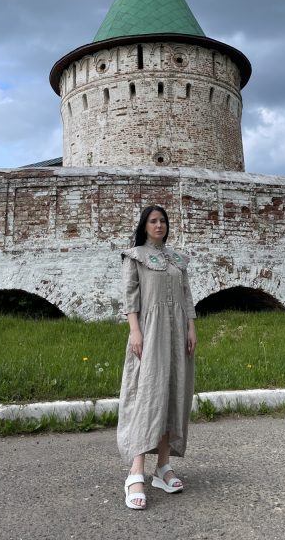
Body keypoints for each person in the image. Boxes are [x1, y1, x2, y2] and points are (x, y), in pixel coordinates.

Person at [117, 205, 197, 510]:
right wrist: (135, 331)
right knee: (147, 395)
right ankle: (135, 472)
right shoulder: (135, 256)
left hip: (178, 333)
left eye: (163, 220)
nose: (159, 225)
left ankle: (163, 467)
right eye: (153, 221)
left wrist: (191, 327)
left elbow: (187, 295)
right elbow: (130, 297)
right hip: (150, 332)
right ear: (145, 225)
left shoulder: (177, 259)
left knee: (173, 393)